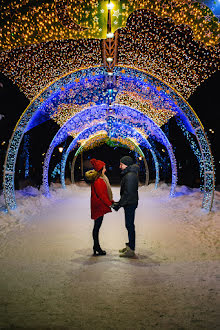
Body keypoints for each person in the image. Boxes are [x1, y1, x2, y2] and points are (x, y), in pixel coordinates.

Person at [85, 158, 114, 256]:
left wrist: (111, 201)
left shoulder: (101, 179)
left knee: (97, 227)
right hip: (98, 206)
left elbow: (104, 194)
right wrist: (110, 203)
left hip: (98, 206)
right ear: (100, 169)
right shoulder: (99, 181)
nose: (105, 169)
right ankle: (96, 247)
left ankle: (96, 246)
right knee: (97, 227)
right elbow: (102, 195)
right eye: (104, 168)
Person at [112, 156, 139, 258]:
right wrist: (119, 203)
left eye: (121, 164)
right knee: (129, 225)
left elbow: (128, 194)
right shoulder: (129, 174)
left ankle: (131, 250)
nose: (120, 166)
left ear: (126, 164)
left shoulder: (130, 176)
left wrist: (118, 205)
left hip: (130, 203)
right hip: (130, 203)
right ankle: (130, 246)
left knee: (130, 225)